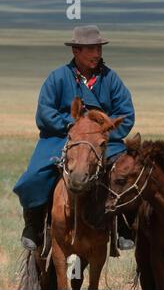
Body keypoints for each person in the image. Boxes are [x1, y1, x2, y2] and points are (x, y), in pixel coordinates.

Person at [13, 25, 135, 252]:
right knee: (34, 177)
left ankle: (124, 226)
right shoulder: (58, 77)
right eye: (90, 49)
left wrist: (103, 132)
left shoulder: (110, 79)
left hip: (102, 140)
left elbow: (126, 113)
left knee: (127, 172)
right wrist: (71, 126)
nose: (97, 54)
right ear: (75, 51)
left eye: (98, 48)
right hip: (62, 137)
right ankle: (34, 224)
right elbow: (45, 111)